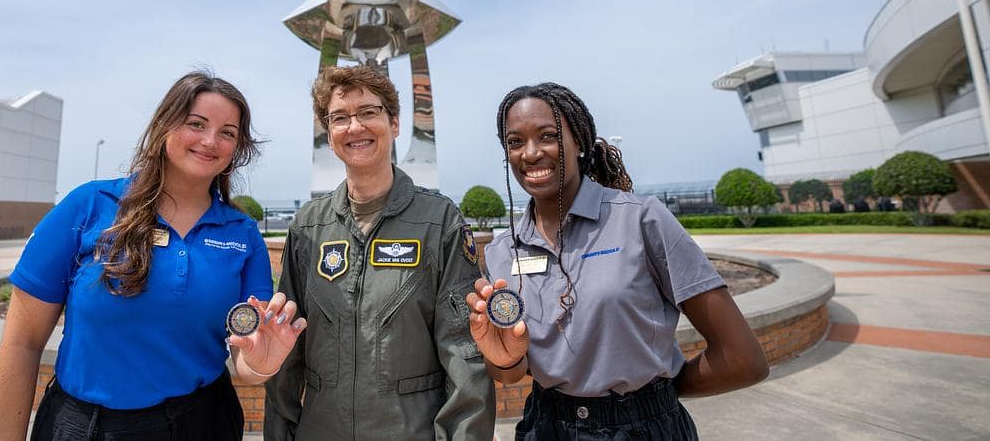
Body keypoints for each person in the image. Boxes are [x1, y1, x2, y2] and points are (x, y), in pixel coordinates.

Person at [0, 72, 305, 441]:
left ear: (237, 149)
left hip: (202, 423)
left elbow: (248, 356)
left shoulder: (243, 234)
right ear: (164, 125)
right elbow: (20, 345)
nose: (209, 140)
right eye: (196, 124)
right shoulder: (88, 207)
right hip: (87, 426)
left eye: (227, 132)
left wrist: (263, 363)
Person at [467, 83, 769, 440]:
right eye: (515, 142)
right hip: (544, 426)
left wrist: (652, 399)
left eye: (547, 136)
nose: (530, 153)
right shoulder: (503, 250)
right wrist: (502, 357)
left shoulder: (642, 220)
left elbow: (743, 359)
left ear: (578, 141)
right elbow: (509, 374)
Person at [264, 65, 494, 440]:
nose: (355, 127)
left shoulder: (439, 222)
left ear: (396, 123)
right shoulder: (307, 228)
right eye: (340, 117)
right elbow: (285, 354)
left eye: (368, 112)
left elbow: (464, 353)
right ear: (329, 133)